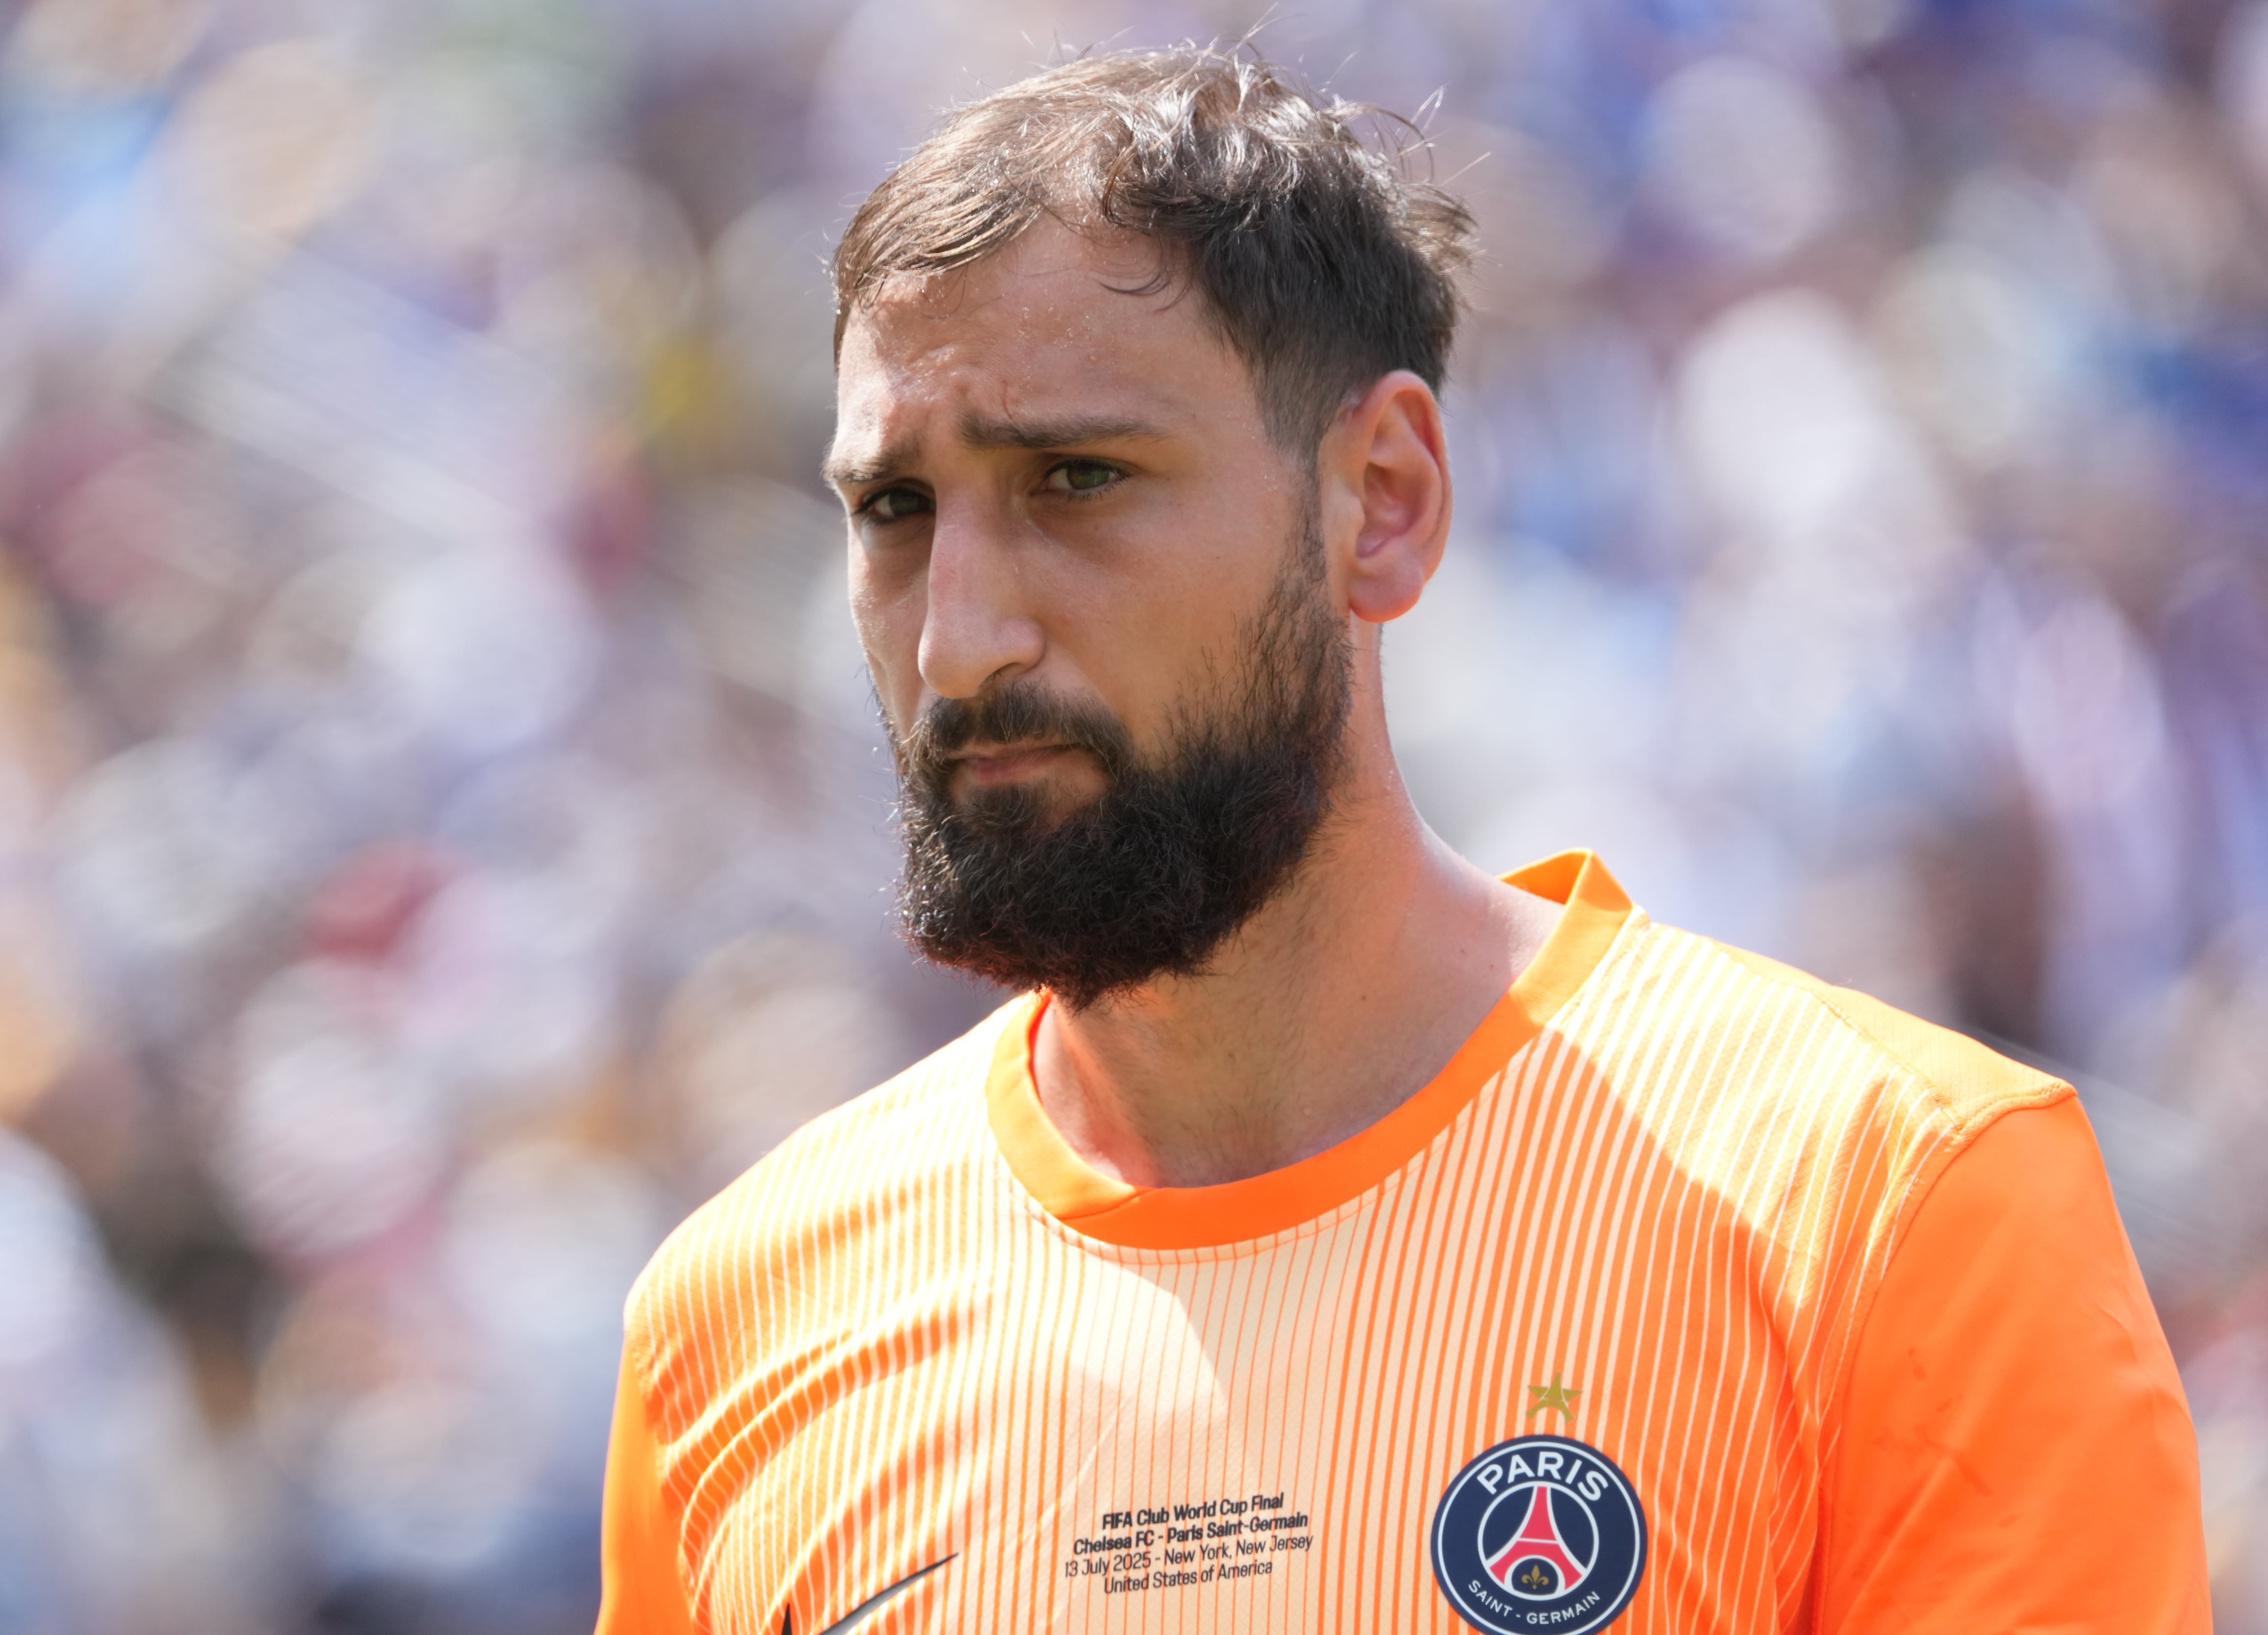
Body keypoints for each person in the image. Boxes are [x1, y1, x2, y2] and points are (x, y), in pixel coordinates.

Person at [594, 48, 2209, 1635]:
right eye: (894, 510)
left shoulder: (1900, 1204)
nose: (958, 643)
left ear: (1383, 499)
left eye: (1076, 480)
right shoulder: (737, 1323)